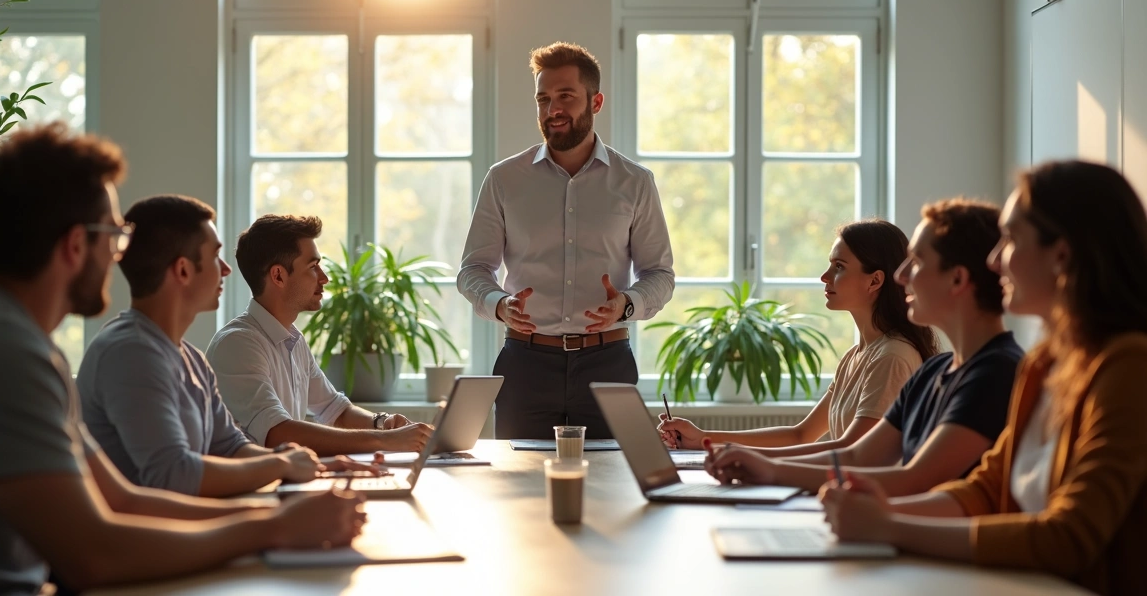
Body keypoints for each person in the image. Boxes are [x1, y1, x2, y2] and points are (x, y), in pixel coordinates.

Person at [0, 124, 365, 595]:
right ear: (76, 244)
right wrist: (274, 526)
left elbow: (120, 499)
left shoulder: (15, 341)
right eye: (115, 235)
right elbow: (92, 555)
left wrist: (278, 512)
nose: (121, 255)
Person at [821, 161, 1147, 595]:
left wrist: (891, 527)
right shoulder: (1046, 364)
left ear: (1062, 254)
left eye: (1010, 240)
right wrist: (884, 515)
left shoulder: (1129, 366)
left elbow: (1069, 537)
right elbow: (985, 491)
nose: (995, 261)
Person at [704, 200, 1022, 496]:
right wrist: (764, 466)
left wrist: (771, 469)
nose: (901, 275)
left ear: (957, 279)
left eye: (918, 261)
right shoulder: (933, 370)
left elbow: (915, 478)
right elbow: (859, 455)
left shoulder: (994, 372)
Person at [77, 195, 379, 497]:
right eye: (214, 257)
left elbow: (231, 447)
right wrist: (281, 470)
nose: (226, 269)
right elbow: (174, 476)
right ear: (183, 270)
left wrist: (316, 467)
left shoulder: (191, 359)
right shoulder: (131, 353)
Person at [458, 41, 675, 439]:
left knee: (613, 492)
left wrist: (626, 305)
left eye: (565, 97)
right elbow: (473, 269)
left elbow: (660, 274)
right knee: (520, 492)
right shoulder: (504, 179)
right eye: (543, 99)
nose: (551, 110)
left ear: (596, 102)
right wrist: (499, 305)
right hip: (524, 364)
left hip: (608, 365)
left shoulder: (635, 183)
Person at [660, 220, 936, 455]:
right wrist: (703, 438)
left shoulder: (892, 357)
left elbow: (850, 452)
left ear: (874, 281)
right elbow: (801, 434)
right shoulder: (857, 355)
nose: (824, 277)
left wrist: (742, 456)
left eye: (839, 266)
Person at [207, 214, 433, 455]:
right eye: (313, 267)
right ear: (278, 276)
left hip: (284, 482)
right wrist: (384, 441)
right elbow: (277, 434)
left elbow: (336, 410)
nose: (324, 278)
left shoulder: (293, 340)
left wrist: (384, 423)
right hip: (253, 490)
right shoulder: (238, 344)